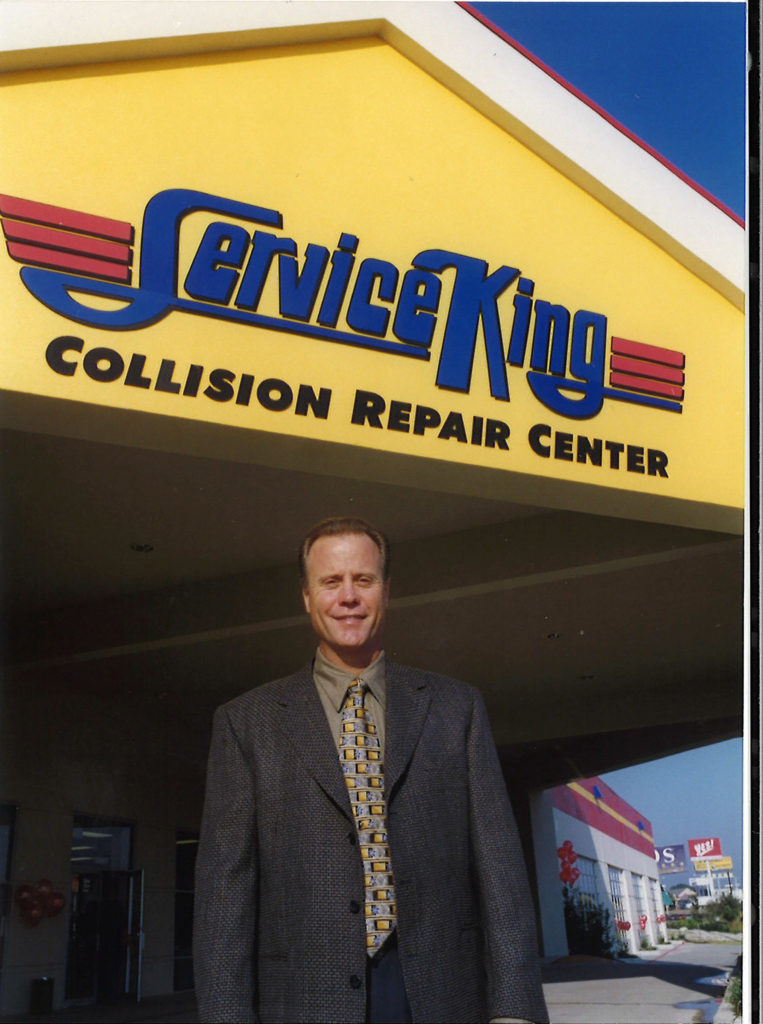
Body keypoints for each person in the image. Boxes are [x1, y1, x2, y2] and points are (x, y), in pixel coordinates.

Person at [193, 516, 548, 1024]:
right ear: (307, 597)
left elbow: (500, 870)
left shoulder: (456, 707)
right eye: (331, 582)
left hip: (440, 995)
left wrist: (515, 1009)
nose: (348, 597)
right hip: (302, 1001)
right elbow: (224, 897)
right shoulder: (246, 723)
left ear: (386, 590)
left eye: (363, 579)